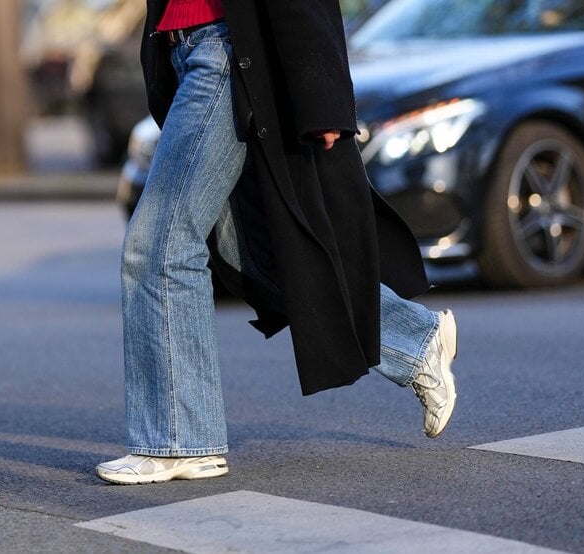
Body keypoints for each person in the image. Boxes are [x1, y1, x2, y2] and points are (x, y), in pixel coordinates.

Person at [96, 0, 458, 485]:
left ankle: (181, 442)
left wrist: (322, 96)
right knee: (250, 251)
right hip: (182, 51)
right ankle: (413, 339)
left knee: (157, 247)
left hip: (225, 55)